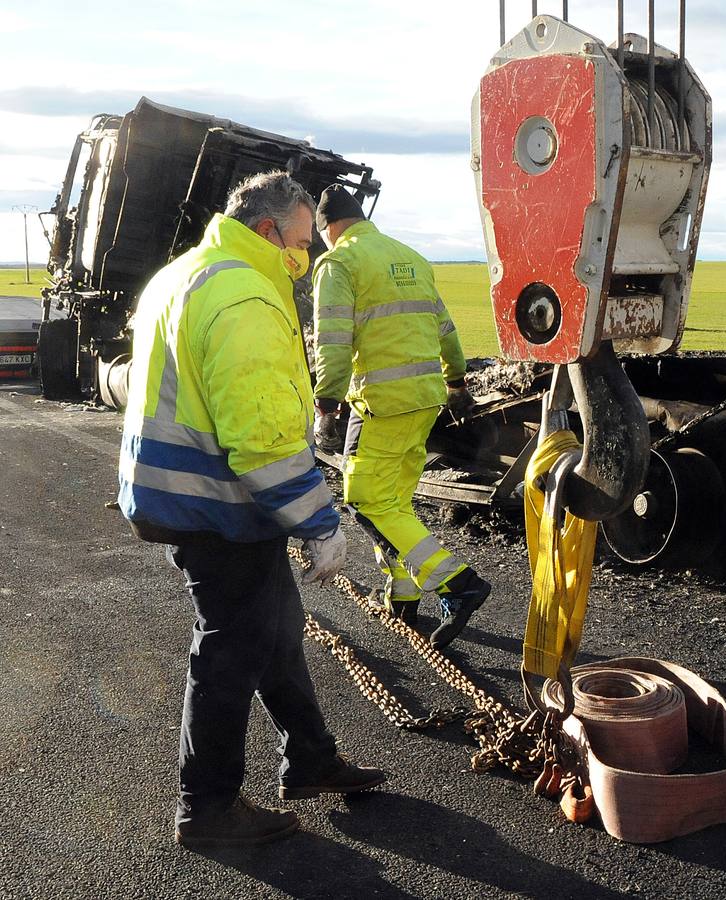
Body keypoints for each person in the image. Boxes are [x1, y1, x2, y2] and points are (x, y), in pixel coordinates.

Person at [118, 172, 386, 849]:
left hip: (179, 489)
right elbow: (260, 441)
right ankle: (204, 809)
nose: (306, 257)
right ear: (269, 231)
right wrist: (320, 523)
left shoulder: (187, 272)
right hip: (216, 504)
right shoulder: (243, 293)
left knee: (275, 624)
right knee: (231, 646)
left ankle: (310, 757)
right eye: (301, 243)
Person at [311, 185, 490, 649]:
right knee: (395, 500)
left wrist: (326, 406)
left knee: (365, 499)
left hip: (380, 403)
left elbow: (331, 341)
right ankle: (404, 595)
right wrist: (456, 383)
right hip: (425, 398)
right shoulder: (409, 257)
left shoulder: (338, 264)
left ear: (328, 229)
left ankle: (457, 582)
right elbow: (445, 327)